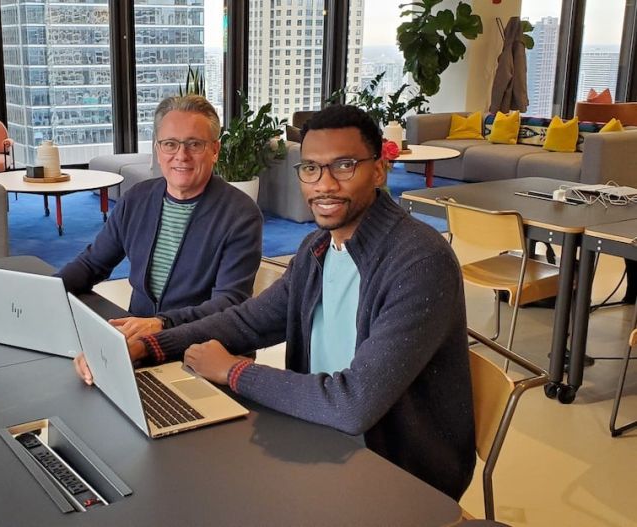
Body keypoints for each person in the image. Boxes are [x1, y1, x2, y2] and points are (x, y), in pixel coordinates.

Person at [75, 104, 475, 500]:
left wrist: (235, 371)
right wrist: (147, 346)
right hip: (313, 432)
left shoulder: (419, 261)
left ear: (379, 169)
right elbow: (247, 321)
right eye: (311, 168)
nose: (325, 184)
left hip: (396, 473)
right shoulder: (318, 248)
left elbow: (352, 404)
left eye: (344, 165)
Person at [57, 95, 263, 341]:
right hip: (138, 342)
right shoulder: (137, 199)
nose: (181, 155)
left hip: (201, 347)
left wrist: (162, 324)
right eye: (170, 144)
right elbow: (92, 264)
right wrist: (44, 292)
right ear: (158, 149)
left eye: (194, 144)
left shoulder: (240, 215)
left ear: (215, 150)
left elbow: (228, 303)